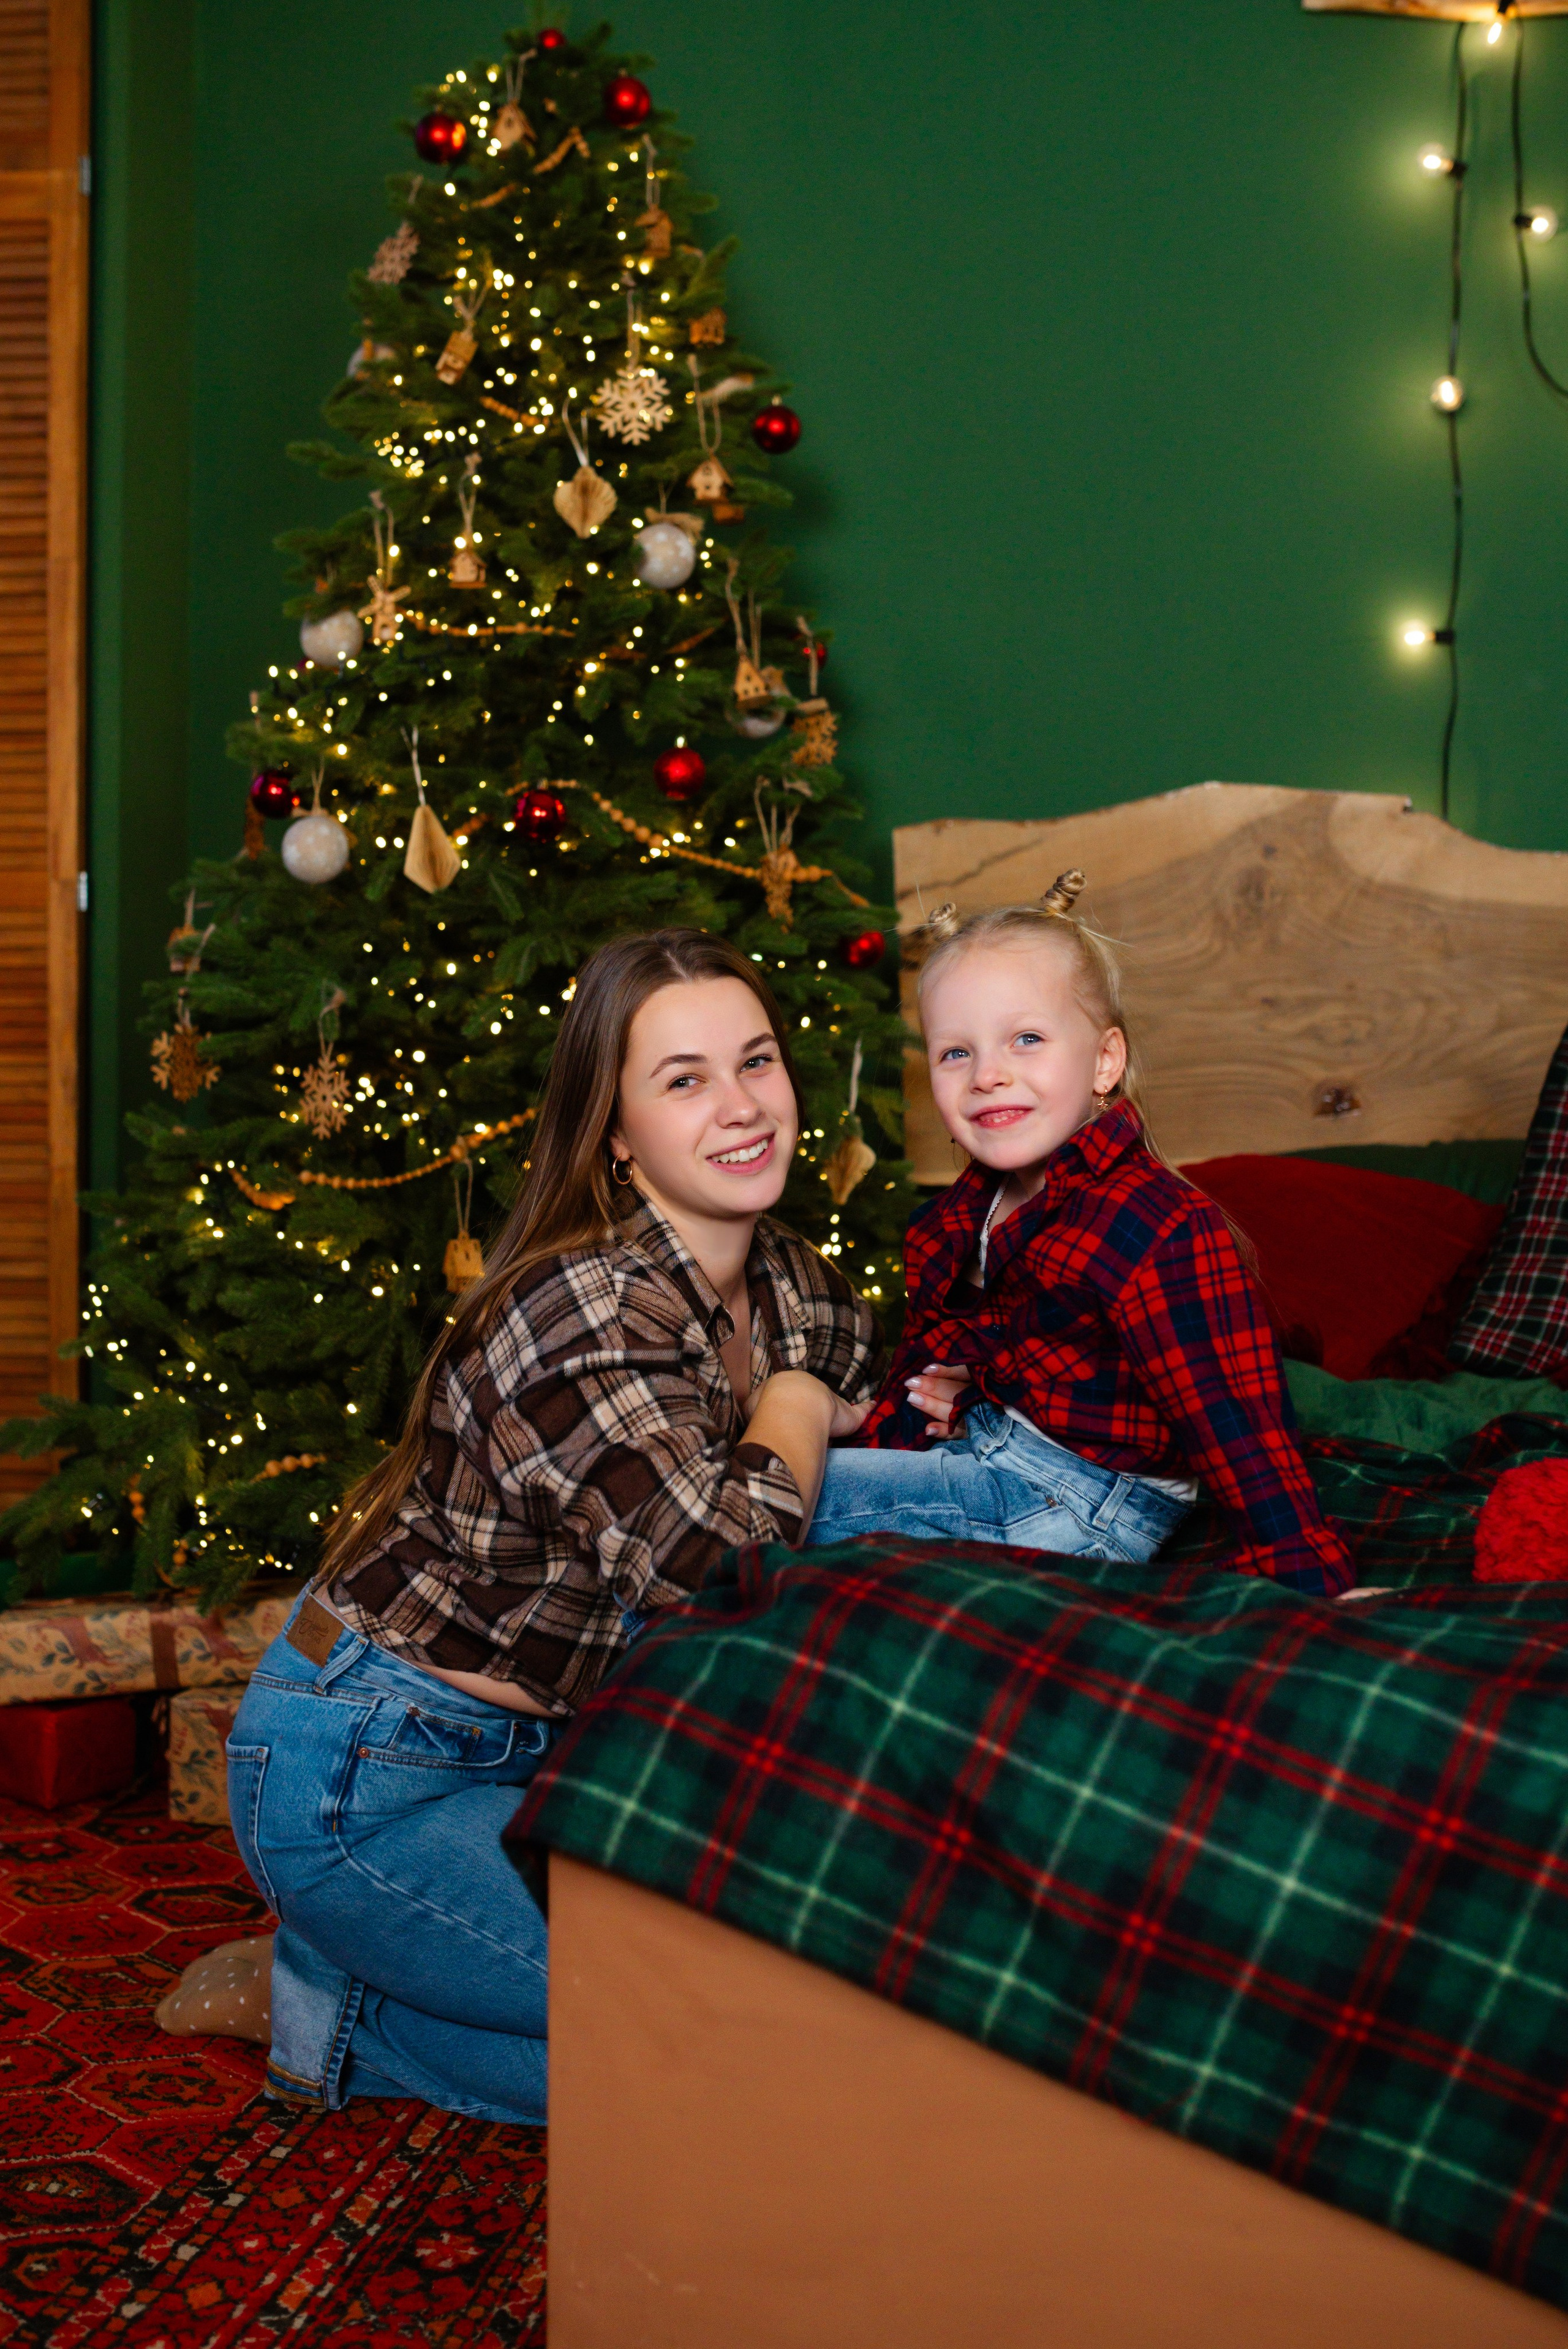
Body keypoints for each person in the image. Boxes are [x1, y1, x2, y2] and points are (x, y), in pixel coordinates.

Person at [157, 930, 878, 2121]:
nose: (742, 1107)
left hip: (550, 1760)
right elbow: (711, 1563)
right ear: (613, 1130)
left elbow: (857, 1361)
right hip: (370, 1770)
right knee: (711, 2059)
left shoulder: (789, 1278)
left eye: (756, 1062)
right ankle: (342, 2017)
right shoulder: (582, 1304)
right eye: (683, 1079)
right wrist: (796, 1402)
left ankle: (367, 1964)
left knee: (775, 1996)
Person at [807, 875, 1354, 1599]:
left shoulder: (1148, 1223)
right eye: (955, 1054)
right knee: (784, 1474)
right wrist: (941, 1408)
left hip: (1087, 1504)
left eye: (1025, 1039)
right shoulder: (959, 1217)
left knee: (770, 1503)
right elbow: (944, 1364)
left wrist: (1314, 1579)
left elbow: (1234, 1415)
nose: (988, 1075)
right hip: (1005, 1456)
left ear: (1104, 1061)